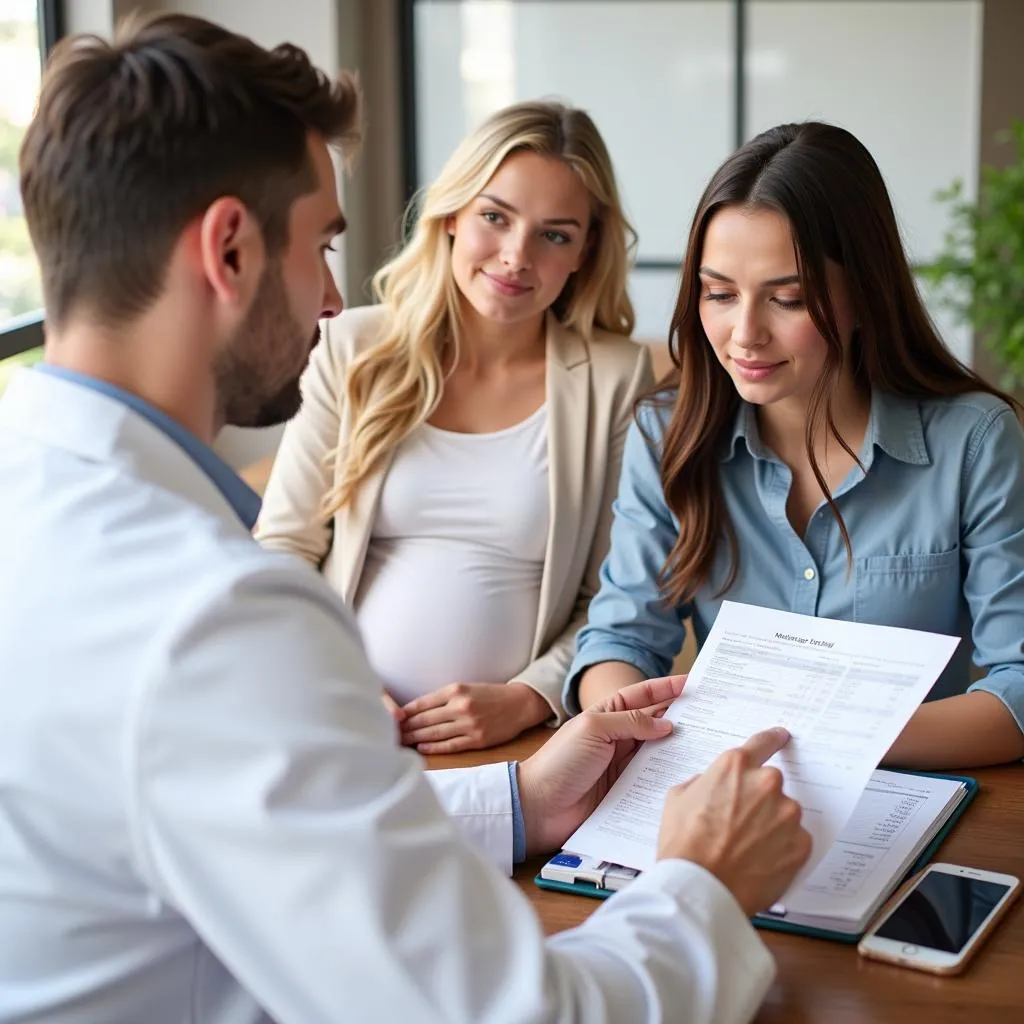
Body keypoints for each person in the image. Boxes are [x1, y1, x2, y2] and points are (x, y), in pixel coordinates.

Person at [0, 14, 813, 1023]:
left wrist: (518, 797)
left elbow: (263, 822)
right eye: (320, 244)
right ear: (229, 248)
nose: (335, 295)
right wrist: (703, 886)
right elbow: (508, 1013)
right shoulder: (218, 619)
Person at [566, 121, 1024, 771]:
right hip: (713, 785)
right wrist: (626, 721)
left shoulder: (974, 443)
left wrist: (815, 740)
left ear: (865, 293)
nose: (744, 334)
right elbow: (620, 642)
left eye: (789, 299)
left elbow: (1018, 689)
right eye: (719, 293)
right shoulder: (665, 435)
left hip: (906, 800)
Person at [254, 99, 651, 754]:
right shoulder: (352, 347)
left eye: (554, 234)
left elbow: (612, 600)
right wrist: (332, 679)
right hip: (339, 721)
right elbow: (283, 547)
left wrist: (529, 697)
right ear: (451, 217)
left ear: (586, 251)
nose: (516, 256)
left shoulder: (615, 378)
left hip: (516, 745)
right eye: (495, 217)